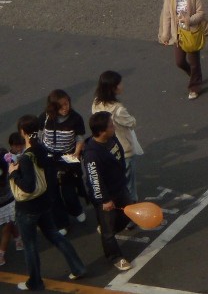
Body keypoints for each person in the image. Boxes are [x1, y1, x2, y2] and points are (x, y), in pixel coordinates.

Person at [8, 126, 87, 289]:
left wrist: (13, 173)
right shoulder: (42, 150)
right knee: (55, 235)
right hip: (44, 202)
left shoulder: (26, 157)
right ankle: (78, 267)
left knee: (30, 246)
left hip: (27, 208)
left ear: (23, 132)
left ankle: (35, 281)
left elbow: (28, 186)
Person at [81, 112, 133, 272]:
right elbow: (95, 180)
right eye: (111, 125)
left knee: (126, 215)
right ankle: (115, 256)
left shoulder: (111, 139)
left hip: (120, 187)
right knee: (108, 230)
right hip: (107, 196)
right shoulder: (92, 155)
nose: (114, 127)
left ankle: (104, 229)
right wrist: (104, 200)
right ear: (102, 131)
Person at [90, 71, 142, 202]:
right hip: (124, 150)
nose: (122, 86)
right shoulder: (118, 110)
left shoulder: (96, 103)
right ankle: (132, 208)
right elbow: (131, 123)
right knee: (129, 184)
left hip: (107, 149)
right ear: (113, 88)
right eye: (119, 84)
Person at [39, 91, 86, 225]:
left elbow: (79, 137)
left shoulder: (76, 118)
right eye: (61, 106)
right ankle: (61, 222)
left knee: (69, 191)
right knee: (53, 194)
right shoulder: (45, 117)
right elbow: (39, 134)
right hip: (48, 160)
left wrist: (76, 153)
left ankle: (76, 210)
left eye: (67, 103)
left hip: (67, 159)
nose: (65, 107)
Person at [165, 0, 207, 99]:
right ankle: (195, 76)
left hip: (191, 32)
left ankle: (194, 87)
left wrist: (189, 20)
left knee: (194, 62)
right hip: (177, 33)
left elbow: (201, 13)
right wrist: (165, 34)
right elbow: (167, 15)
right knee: (179, 61)